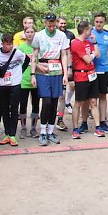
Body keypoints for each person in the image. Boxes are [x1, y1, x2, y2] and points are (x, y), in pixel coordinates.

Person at [31, 13, 70, 145]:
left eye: (54, 24)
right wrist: (33, 73)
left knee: (54, 103)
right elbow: (34, 55)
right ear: (45, 23)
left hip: (57, 71)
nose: (52, 27)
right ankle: (42, 131)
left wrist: (65, 73)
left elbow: (64, 54)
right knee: (46, 102)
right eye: (49, 24)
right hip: (43, 71)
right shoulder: (39, 35)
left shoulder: (61, 35)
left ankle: (51, 131)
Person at [0, 33, 28, 147]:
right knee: (4, 109)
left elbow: (26, 60)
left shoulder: (17, 53)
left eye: (11, 43)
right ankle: (7, 134)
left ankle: (12, 135)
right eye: (7, 44)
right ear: (2, 44)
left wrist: (20, 72)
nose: (10, 46)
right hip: (2, 84)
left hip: (15, 84)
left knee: (14, 109)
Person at [70, 21, 102, 138]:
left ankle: (98, 127)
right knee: (79, 102)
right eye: (89, 30)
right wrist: (92, 55)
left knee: (93, 101)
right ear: (85, 30)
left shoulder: (89, 42)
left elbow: (97, 54)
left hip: (92, 75)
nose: (91, 32)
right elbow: (88, 59)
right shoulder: (76, 43)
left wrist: (95, 42)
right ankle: (75, 128)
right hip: (81, 76)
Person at [90, 12, 108, 134]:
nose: (99, 24)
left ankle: (103, 121)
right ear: (94, 22)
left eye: (101, 22)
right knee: (90, 98)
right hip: (91, 69)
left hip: (103, 69)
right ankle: (86, 123)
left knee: (103, 95)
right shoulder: (89, 33)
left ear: (104, 22)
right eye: (97, 22)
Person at [18, 26, 39, 138]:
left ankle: (34, 128)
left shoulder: (39, 47)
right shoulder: (21, 48)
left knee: (35, 104)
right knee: (23, 105)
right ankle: (23, 128)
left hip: (36, 80)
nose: (30, 34)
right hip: (23, 80)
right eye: (28, 32)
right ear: (24, 33)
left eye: (32, 32)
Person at [57, 16, 76, 126]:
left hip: (68, 64)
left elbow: (71, 51)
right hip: (55, 66)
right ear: (57, 24)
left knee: (71, 85)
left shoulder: (70, 35)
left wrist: (69, 67)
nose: (63, 25)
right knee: (59, 94)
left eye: (64, 23)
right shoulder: (54, 35)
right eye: (61, 23)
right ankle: (58, 116)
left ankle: (67, 104)